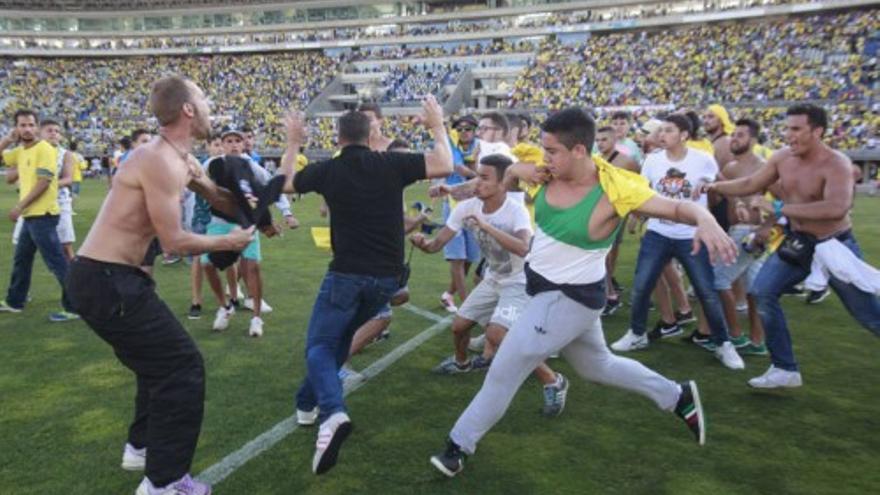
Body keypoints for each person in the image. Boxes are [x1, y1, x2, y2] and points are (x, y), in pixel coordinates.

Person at [429, 107, 738, 477]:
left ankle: (457, 446)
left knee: (505, 367)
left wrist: (705, 219)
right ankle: (677, 396)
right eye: (543, 150)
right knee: (597, 366)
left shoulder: (615, 188)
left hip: (566, 298)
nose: (545, 159)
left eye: (553, 151)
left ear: (579, 151)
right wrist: (513, 172)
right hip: (549, 290)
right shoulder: (544, 174)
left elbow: (675, 206)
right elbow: (511, 172)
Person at [64, 75, 253, 495]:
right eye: (203, 99)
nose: (209, 107)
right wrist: (231, 240)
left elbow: (216, 197)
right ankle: (165, 483)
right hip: (107, 279)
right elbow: (173, 242)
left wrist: (251, 208)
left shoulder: (179, 159)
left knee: (157, 364)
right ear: (187, 109)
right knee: (183, 366)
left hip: (111, 278)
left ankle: (141, 445)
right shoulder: (157, 160)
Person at [279, 96, 453, 475]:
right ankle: (306, 405)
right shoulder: (391, 162)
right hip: (386, 278)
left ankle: (333, 412)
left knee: (319, 346)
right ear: (370, 134)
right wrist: (437, 124)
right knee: (339, 342)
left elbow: (287, 182)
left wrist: (294, 141)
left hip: (347, 273)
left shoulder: (329, 170)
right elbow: (445, 164)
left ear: (338, 138)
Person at [704, 104, 880, 388]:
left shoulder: (837, 163)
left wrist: (777, 206)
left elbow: (836, 207)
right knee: (762, 292)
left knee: (870, 316)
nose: (789, 135)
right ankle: (785, 368)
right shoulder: (782, 157)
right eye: (787, 128)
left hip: (834, 245)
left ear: (818, 131)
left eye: (796, 129)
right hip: (799, 243)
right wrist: (714, 187)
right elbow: (751, 183)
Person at [411, 154, 569, 417]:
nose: (476, 183)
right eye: (476, 177)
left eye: (484, 178)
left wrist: (485, 226)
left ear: (501, 184)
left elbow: (522, 247)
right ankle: (462, 363)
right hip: (493, 278)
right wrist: (423, 245)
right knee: (459, 326)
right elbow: (437, 244)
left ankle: (554, 381)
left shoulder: (515, 210)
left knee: (499, 335)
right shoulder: (466, 207)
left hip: (519, 281)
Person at [611, 114, 745, 371]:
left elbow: (719, 186)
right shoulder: (652, 160)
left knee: (706, 290)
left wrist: (710, 185)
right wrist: (636, 217)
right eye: (661, 131)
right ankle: (637, 334)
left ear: (684, 134)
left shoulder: (703, 160)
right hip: (658, 233)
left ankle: (723, 343)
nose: (662, 135)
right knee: (641, 286)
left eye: (668, 130)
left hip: (691, 236)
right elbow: (644, 192)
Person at [0, 110, 77, 321]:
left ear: (36, 127)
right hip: (31, 215)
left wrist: (19, 206)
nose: (27, 129)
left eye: (31, 125)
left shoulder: (44, 149)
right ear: (16, 127)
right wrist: (8, 139)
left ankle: (74, 307)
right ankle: (15, 301)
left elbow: (43, 183)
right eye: (22, 125)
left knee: (57, 262)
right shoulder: (22, 150)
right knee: (21, 260)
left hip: (42, 215)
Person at [711, 118, 768, 356]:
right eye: (733, 134)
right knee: (756, 289)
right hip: (738, 231)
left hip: (753, 233)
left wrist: (765, 225)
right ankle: (758, 341)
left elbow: (780, 199)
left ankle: (735, 335)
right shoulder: (730, 168)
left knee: (717, 280)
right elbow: (715, 200)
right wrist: (720, 192)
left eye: (741, 135)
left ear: (753, 140)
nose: (734, 139)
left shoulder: (765, 167)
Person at [439, 114, 481, 313]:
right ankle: (466, 306)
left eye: (468, 129)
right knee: (457, 257)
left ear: (475, 130)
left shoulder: (481, 145)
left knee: (471, 256)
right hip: (453, 203)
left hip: (474, 205)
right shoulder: (451, 144)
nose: (464, 132)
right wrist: (478, 175)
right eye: (460, 129)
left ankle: (448, 294)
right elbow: (459, 168)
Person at [595, 126, 639, 316]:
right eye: (597, 140)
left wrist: (635, 215)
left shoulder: (626, 161)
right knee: (601, 254)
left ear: (614, 141)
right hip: (598, 211)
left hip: (616, 212)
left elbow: (639, 186)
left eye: (604, 139)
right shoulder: (596, 160)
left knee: (604, 254)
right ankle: (608, 292)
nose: (599, 143)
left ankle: (610, 295)